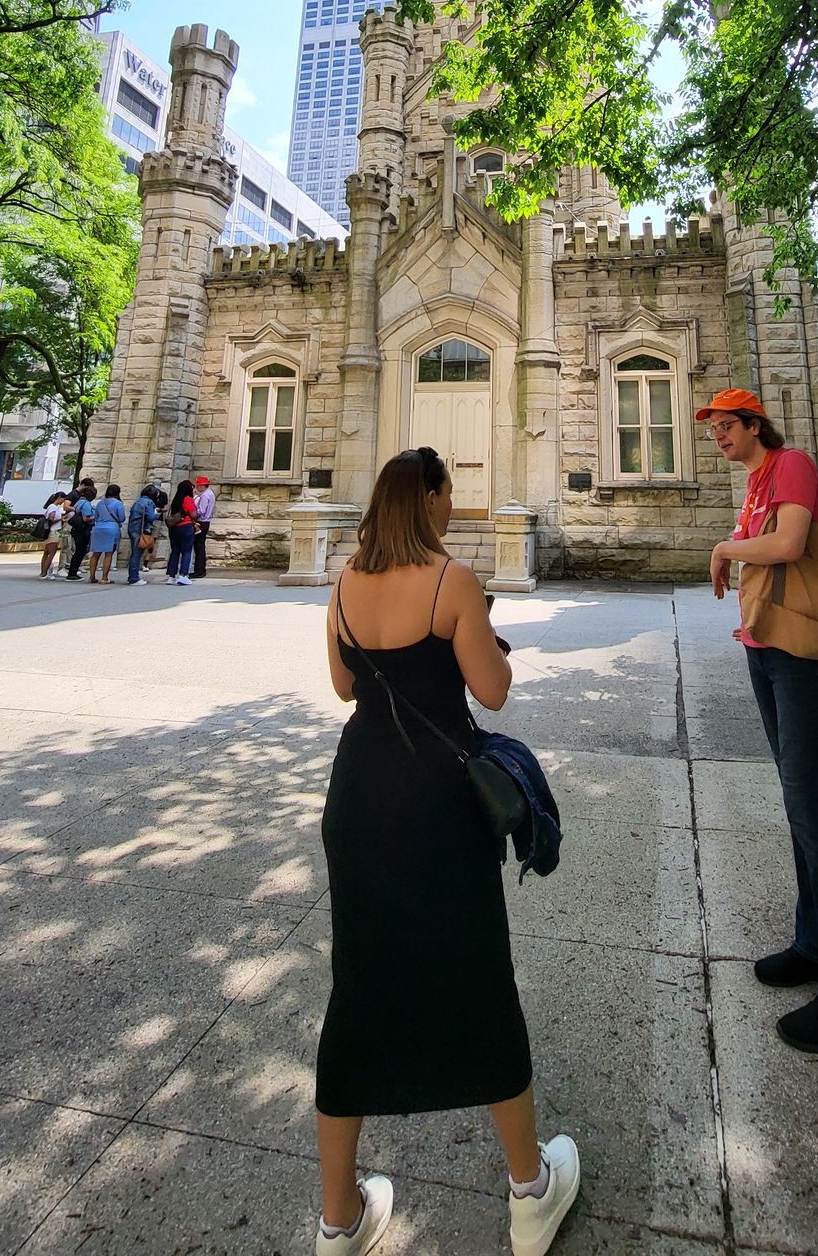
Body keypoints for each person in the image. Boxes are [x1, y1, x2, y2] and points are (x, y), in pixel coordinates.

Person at [315, 447, 578, 1256]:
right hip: (436, 801)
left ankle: (338, 1219)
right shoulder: (452, 580)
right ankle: (530, 1190)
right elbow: (492, 690)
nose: (452, 505)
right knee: (478, 977)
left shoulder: (345, 581)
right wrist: (483, 635)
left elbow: (345, 687)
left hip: (359, 797)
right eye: (448, 493)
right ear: (429, 498)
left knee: (358, 985)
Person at [702, 388, 818, 1055]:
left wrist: (725, 548)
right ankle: (813, 946)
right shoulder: (758, 480)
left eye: (728, 425)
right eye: (714, 428)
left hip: (802, 653)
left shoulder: (792, 464)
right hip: (766, 645)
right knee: (797, 804)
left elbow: (786, 544)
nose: (719, 436)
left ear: (757, 424)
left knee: (810, 807)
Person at [87, 483, 125, 584]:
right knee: (109, 554)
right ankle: (104, 577)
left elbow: (96, 517)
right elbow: (121, 518)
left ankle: (92, 577)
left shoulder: (100, 503)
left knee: (95, 554)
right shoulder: (118, 503)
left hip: (98, 528)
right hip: (112, 528)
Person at [164, 479, 198, 586]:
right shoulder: (188, 499)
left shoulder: (176, 500)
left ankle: (171, 576)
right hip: (186, 526)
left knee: (175, 551)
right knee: (186, 551)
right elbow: (193, 515)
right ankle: (183, 575)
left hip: (174, 528)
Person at [126, 483, 161, 586]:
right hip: (141, 530)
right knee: (137, 554)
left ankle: (132, 576)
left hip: (133, 528)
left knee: (134, 553)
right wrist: (157, 514)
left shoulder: (138, 501)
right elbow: (150, 517)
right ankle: (134, 578)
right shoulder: (149, 502)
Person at [64, 479, 97, 580]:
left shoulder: (79, 502)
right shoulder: (86, 504)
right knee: (80, 551)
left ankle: (72, 572)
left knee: (78, 551)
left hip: (77, 528)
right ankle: (72, 573)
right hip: (82, 529)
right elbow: (86, 518)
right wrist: (95, 516)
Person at [38, 493, 69, 579]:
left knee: (46, 553)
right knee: (51, 553)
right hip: (54, 532)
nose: (63, 502)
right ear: (59, 498)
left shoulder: (52, 507)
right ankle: (45, 573)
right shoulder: (53, 507)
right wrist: (61, 519)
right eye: (63, 499)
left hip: (51, 532)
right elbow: (51, 519)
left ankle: (43, 572)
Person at [192, 475, 216, 578]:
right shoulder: (210, 493)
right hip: (206, 521)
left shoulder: (204, 496)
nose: (197, 487)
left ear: (202, 485)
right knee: (200, 546)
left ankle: (199, 570)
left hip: (202, 522)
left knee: (199, 547)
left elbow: (201, 511)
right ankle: (200, 569)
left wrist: (193, 513)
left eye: (198, 485)